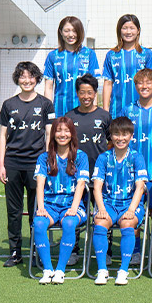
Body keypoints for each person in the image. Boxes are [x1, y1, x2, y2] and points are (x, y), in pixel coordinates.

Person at [0, 61, 55, 267]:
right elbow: (3, 136)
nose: (27, 80)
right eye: (23, 77)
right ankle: (15, 253)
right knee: (13, 211)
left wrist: (48, 160)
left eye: (31, 76)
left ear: (37, 79)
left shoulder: (46, 104)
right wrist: (1, 164)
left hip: (36, 164)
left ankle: (36, 251)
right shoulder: (8, 104)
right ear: (17, 79)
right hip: (13, 163)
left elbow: (49, 134)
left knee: (36, 210)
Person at [120, 68, 152, 264]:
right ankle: (135, 250)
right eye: (140, 83)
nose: (144, 86)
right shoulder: (127, 110)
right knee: (134, 210)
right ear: (135, 86)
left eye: (148, 83)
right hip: (133, 172)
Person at [91, 117, 148, 286]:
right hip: (108, 203)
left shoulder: (137, 157)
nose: (120, 138)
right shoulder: (103, 158)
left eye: (125, 134)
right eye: (116, 134)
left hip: (130, 204)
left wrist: (131, 209)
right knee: (100, 221)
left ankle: (123, 271)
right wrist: (101, 208)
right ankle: (102, 270)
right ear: (111, 136)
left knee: (127, 223)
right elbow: (97, 187)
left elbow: (140, 187)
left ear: (131, 136)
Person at [32, 117, 88, 284]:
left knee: (69, 223)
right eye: (58, 131)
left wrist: (74, 207)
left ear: (72, 133)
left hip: (72, 205)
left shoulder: (81, 156)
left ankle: (60, 271)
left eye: (66, 131)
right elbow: (40, 185)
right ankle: (48, 269)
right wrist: (41, 207)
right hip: (50, 205)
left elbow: (81, 185)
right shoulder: (44, 157)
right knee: (38, 223)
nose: (62, 135)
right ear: (53, 134)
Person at [65, 73, 112, 265]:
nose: (86, 96)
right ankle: (73, 250)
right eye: (82, 92)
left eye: (90, 92)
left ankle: (106, 251)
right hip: (77, 176)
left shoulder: (104, 116)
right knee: (75, 211)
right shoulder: (70, 117)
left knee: (102, 212)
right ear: (77, 93)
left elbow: (111, 142)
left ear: (95, 93)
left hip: (100, 176)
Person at [44, 16, 100, 117]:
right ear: (61, 32)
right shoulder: (53, 56)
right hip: (60, 111)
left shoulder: (89, 54)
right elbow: (48, 87)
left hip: (84, 112)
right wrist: (49, 113)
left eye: (74, 31)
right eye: (66, 31)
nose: (70, 35)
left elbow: (94, 86)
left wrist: (94, 113)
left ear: (80, 32)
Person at [102, 14, 152, 119]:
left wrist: (151, 106)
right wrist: (105, 110)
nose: (128, 32)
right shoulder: (111, 55)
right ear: (119, 30)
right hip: (117, 109)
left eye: (132, 28)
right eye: (124, 28)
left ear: (138, 30)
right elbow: (108, 83)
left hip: (141, 109)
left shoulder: (147, 54)